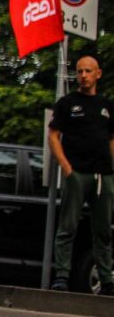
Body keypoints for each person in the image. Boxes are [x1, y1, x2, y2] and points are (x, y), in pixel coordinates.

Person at [48, 55, 114, 295]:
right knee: (67, 227)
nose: (83, 75)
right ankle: (62, 276)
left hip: (103, 175)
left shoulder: (107, 105)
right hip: (77, 173)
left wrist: (111, 168)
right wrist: (67, 168)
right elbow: (53, 135)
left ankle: (107, 279)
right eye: (79, 71)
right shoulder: (67, 103)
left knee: (103, 229)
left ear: (98, 74)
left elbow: (111, 138)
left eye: (88, 71)